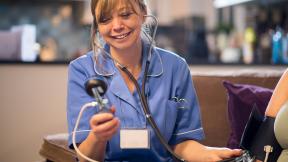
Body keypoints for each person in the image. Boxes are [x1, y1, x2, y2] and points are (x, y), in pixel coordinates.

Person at [67, 0, 242, 161]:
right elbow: (85, 158)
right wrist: (98, 137)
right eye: (105, 20)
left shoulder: (176, 67)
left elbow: (180, 144)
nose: (117, 26)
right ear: (97, 26)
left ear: (143, 13)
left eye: (126, 15)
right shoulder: (82, 70)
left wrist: (209, 154)